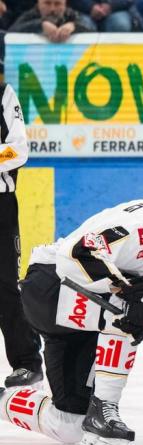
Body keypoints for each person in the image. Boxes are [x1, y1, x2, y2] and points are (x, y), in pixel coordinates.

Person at [0, 188, 143, 445]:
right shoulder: (141, 227)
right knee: (130, 312)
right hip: (51, 287)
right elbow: (74, 256)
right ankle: (104, 409)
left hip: (85, 318)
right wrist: (125, 287)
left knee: (69, 426)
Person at [0, 82, 43, 389]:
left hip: (0, 204)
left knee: (5, 286)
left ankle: (27, 362)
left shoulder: (3, 93)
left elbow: (19, 149)